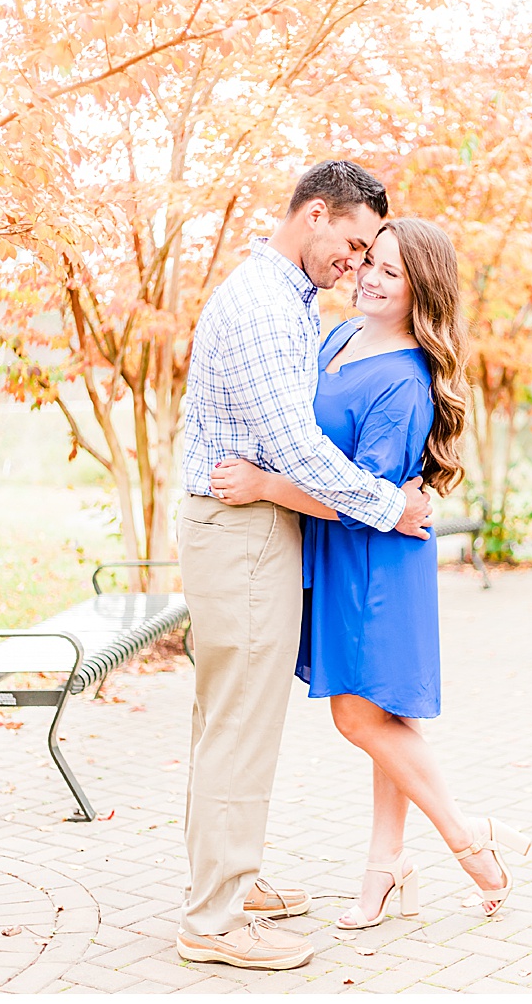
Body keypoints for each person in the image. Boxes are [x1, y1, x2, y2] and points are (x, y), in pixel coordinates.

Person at [210, 217, 530, 930]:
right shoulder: (340, 337)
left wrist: (264, 485)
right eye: (368, 261)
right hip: (343, 552)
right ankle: (385, 868)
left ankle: (466, 837)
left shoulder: (406, 380)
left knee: (359, 712)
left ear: (421, 290)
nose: (368, 276)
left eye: (389, 271)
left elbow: (360, 501)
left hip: (375, 560)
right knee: (385, 713)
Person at [175, 160, 435, 971]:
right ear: (313, 214)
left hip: (250, 523)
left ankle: (228, 878)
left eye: (369, 257)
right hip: (239, 529)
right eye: (353, 245)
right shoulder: (260, 304)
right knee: (241, 724)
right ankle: (213, 919)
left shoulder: (289, 301)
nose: (355, 267)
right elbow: (294, 446)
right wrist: (391, 506)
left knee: (228, 716)